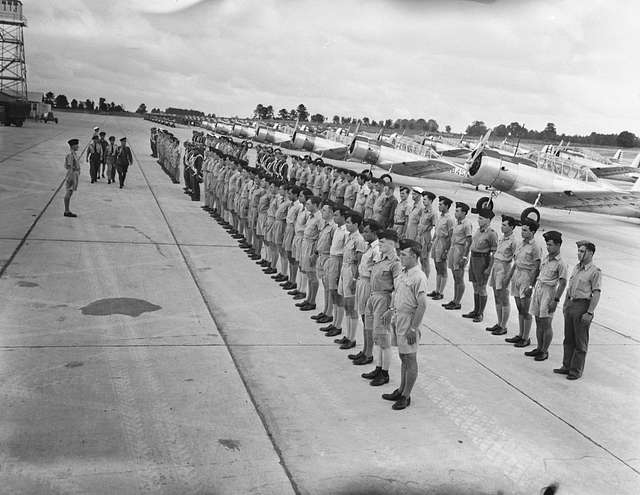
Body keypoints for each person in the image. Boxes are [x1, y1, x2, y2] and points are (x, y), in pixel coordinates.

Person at [383, 239, 428, 410]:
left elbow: (422, 305)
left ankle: (406, 396)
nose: (400, 257)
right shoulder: (404, 272)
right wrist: (391, 309)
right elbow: (398, 293)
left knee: (410, 358)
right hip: (399, 318)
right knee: (403, 357)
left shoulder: (418, 276)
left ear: (414, 256)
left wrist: (413, 328)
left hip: (409, 320)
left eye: (404, 254)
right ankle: (401, 390)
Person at [554, 240, 601, 380]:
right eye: (579, 251)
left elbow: (596, 292)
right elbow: (570, 287)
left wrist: (590, 312)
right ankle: (566, 366)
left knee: (580, 341)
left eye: (582, 251)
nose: (579, 253)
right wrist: (565, 304)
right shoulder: (576, 268)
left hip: (582, 306)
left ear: (591, 253)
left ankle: (576, 370)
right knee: (568, 338)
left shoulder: (594, 271)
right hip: (571, 304)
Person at [361, 229, 402, 387]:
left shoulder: (395, 263)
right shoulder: (381, 259)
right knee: (376, 336)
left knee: (384, 339)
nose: (380, 245)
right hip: (373, 297)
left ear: (393, 244)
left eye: (383, 242)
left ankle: (384, 373)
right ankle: (378, 368)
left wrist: (391, 309)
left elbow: (397, 288)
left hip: (384, 300)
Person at [525, 230, 567, 362]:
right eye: (547, 245)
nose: (548, 247)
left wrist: (555, 300)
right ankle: (539, 347)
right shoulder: (547, 258)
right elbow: (539, 273)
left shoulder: (561, 263)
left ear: (558, 245)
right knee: (538, 320)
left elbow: (562, 283)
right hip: (539, 288)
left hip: (549, 292)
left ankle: (545, 350)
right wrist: (531, 287)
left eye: (550, 245)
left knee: (546, 322)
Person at [504, 219, 542, 348]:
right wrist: (509, 277)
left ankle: (526, 338)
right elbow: (516, 262)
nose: (522, 232)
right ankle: (520, 334)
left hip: (527, 276)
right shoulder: (521, 244)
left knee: (526, 310)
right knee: (520, 308)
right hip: (517, 275)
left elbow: (536, 268)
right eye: (522, 230)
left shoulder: (535, 247)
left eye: (525, 230)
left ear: (532, 231)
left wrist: (531, 285)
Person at [335, 211, 367, 349]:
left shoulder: (359, 240)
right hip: (345, 268)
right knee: (346, 304)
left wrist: (355, 279)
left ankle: (352, 338)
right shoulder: (349, 236)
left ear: (356, 224)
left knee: (351, 305)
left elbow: (359, 262)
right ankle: (348, 335)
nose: (346, 225)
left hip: (352, 271)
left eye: (348, 222)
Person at [464, 208, 498, 322]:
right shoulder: (478, 230)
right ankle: (475, 310)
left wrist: (489, 268)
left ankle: (480, 313)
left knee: (482, 287)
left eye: (481, 218)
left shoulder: (492, 234)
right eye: (479, 218)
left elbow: (494, 253)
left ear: (488, 220)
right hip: (474, 259)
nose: (478, 220)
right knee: (475, 286)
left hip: (482, 260)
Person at [486, 215, 517, 336]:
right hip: (496, 267)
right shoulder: (502, 238)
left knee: (504, 298)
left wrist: (509, 276)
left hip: (504, 269)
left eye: (505, 225)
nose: (502, 227)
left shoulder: (513, 241)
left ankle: (503, 325)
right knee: (496, 296)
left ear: (512, 227)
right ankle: (499, 323)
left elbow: (515, 259)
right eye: (502, 224)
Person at [444, 202, 472, 311]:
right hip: (453, 248)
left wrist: (464, 257)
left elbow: (469, 241)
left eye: (457, 211)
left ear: (464, 213)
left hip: (460, 250)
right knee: (455, 277)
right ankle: (454, 300)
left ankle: (458, 301)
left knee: (459, 277)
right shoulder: (457, 223)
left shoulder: (466, 224)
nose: (455, 213)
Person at [428, 196, 454, 300]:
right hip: (437, 242)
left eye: (441, 204)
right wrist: (432, 241)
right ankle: (437, 290)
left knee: (442, 269)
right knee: (437, 267)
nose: (439, 206)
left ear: (447, 206)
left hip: (443, 243)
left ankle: (441, 292)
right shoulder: (441, 217)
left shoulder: (449, 219)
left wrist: (446, 250)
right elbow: (437, 230)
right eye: (439, 204)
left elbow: (450, 236)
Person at [63, 138, 81, 217]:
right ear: (73, 146)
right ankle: (66, 211)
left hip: (74, 174)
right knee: (69, 192)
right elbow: (70, 167)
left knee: (70, 192)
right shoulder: (71, 155)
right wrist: (71, 178)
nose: (78, 146)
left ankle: (67, 210)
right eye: (76, 145)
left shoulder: (74, 154)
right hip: (72, 174)